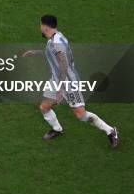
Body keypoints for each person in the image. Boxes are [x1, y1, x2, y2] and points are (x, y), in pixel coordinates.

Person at [23, 15, 118, 148]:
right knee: (44, 107)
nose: (40, 27)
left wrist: (60, 90)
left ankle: (110, 130)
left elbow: (64, 67)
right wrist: (34, 52)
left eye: (40, 25)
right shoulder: (54, 38)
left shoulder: (58, 44)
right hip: (57, 79)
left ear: (45, 27)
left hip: (68, 82)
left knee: (81, 115)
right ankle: (57, 129)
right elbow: (51, 54)